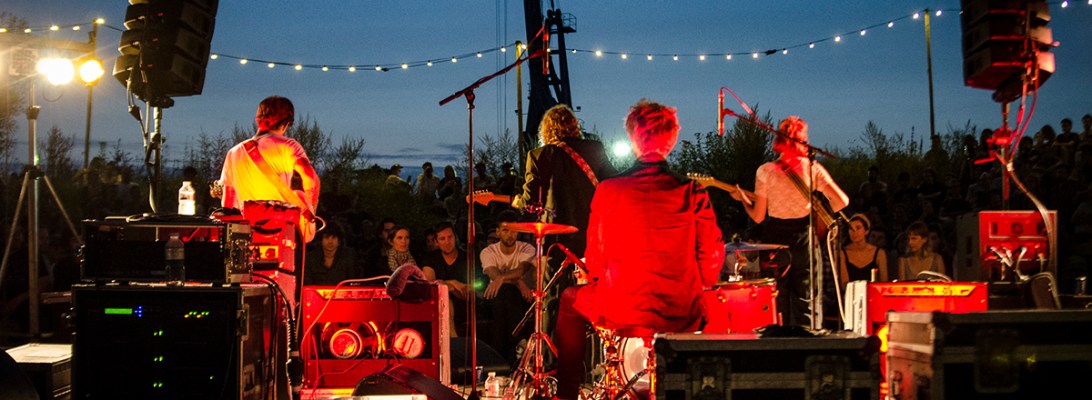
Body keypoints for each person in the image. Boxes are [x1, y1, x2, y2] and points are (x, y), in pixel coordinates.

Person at [554, 99, 724, 400]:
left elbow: (595, 260)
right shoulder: (692, 191)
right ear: (672, 140)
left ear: (633, 138)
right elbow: (711, 257)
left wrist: (602, 279)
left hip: (622, 307)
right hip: (679, 310)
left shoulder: (608, 190)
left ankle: (566, 395)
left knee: (569, 299)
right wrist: (698, 288)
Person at [734, 115, 849, 328]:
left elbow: (758, 217)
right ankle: (809, 342)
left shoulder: (766, 171)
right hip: (804, 239)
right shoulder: (813, 169)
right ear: (803, 139)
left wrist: (743, 200)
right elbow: (842, 201)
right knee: (807, 300)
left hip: (775, 241)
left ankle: (778, 343)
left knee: (777, 300)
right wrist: (817, 212)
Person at [511, 104, 616, 260]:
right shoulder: (594, 148)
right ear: (575, 125)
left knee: (556, 273)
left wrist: (518, 202)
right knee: (592, 273)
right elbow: (612, 183)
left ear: (546, 130)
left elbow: (530, 201)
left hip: (556, 235)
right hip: (593, 230)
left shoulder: (538, 155)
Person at [479, 209, 536, 366]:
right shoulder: (488, 252)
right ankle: (520, 341)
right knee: (506, 292)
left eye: (514, 231)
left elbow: (521, 269)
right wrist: (519, 282)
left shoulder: (527, 249)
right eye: (505, 231)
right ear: (498, 232)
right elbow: (493, 274)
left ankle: (498, 361)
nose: (510, 235)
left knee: (504, 300)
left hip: (521, 299)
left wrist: (503, 278)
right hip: (494, 296)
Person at [420, 221, 474, 337]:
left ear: (455, 237)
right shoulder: (431, 258)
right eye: (442, 239)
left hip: (464, 305)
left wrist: (446, 286)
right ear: (436, 242)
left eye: (450, 237)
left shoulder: (467, 258)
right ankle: (453, 340)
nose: (447, 242)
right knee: (445, 301)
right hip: (439, 303)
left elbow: (469, 292)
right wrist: (452, 284)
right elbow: (430, 285)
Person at [838, 214, 888, 289]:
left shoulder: (879, 253)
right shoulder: (843, 253)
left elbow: (884, 283)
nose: (854, 232)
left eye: (858, 228)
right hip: (851, 294)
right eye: (851, 229)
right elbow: (844, 284)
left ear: (866, 231)